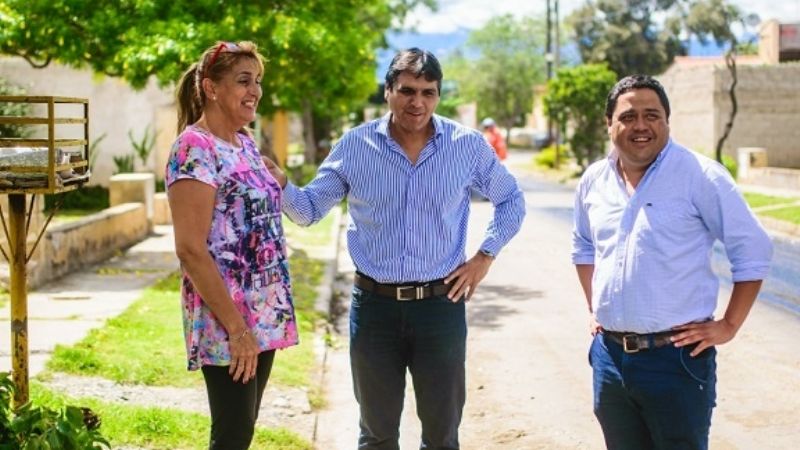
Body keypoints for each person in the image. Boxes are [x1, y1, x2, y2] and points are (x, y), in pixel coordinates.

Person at [264, 48, 526, 449]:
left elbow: (511, 200)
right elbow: (309, 209)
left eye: (428, 92)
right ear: (387, 91)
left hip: (440, 307)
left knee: (442, 436)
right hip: (374, 309)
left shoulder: (467, 147)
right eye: (406, 90)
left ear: (438, 95)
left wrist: (484, 257)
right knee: (376, 435)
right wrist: (281, 184)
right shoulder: (355, 146)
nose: (416, 102)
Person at [571, 74, 773, 450]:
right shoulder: (593, 181)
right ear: (609, 123)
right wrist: (593, 307)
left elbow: (754, 250)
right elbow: (583, 248)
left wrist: (729, 324)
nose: (641, 126)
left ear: (667, 120)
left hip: (676, 361)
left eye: (653, 115)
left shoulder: (700, 176)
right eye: (629, 117)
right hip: (610, 360)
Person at [166, 41, 298, 450]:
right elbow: (190, 249)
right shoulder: (194, 149)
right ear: (210, 88)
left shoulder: (245, 143)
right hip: (228, 319)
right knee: (232, 434)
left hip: (263, 314)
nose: (254, 90)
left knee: (243, 430)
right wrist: (238, 330)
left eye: (257, 81)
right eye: (243, 81)